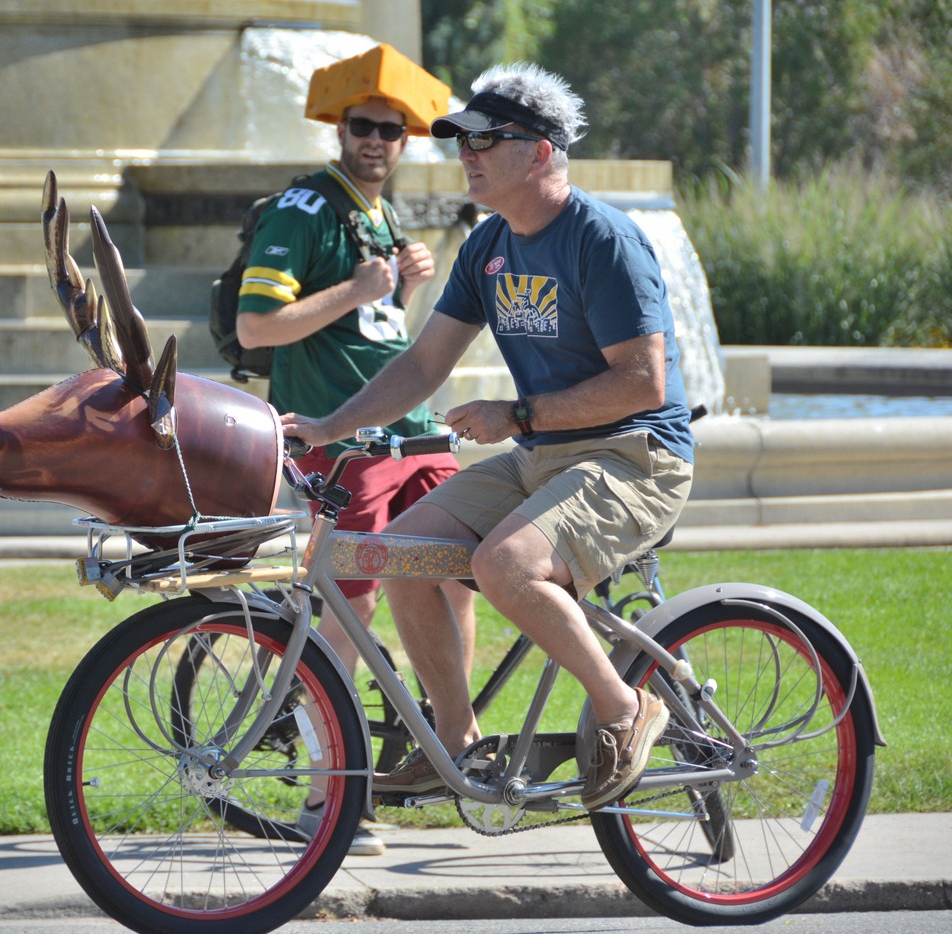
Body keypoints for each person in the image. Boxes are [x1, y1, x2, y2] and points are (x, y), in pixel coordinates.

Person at [281, 62, 695, 812]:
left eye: (484, 140)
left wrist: (519, 415)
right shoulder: (488, 247)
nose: (464, 154)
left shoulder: (602, 239)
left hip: (636, 458)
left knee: (503, 567)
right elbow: (424, 362)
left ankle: (627, 708)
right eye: (460, 140)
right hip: (546, 458)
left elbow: (643, 383)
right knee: (397, 554)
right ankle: (458, 744)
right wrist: (330, 428)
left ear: (539, 152)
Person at [234, 47, 476, 854]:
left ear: (408, 140)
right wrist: (360, 290)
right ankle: (328, 799)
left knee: (455, 580)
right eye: (362, 126)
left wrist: (399, 289)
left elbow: (376, 338)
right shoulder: (303, 210)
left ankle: (449, 750)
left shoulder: (378, 216)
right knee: (350, 608)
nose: (377, 140)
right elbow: (256, 327)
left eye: (392, 129)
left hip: (410, 434)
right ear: (340, 129)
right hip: (342, 445)